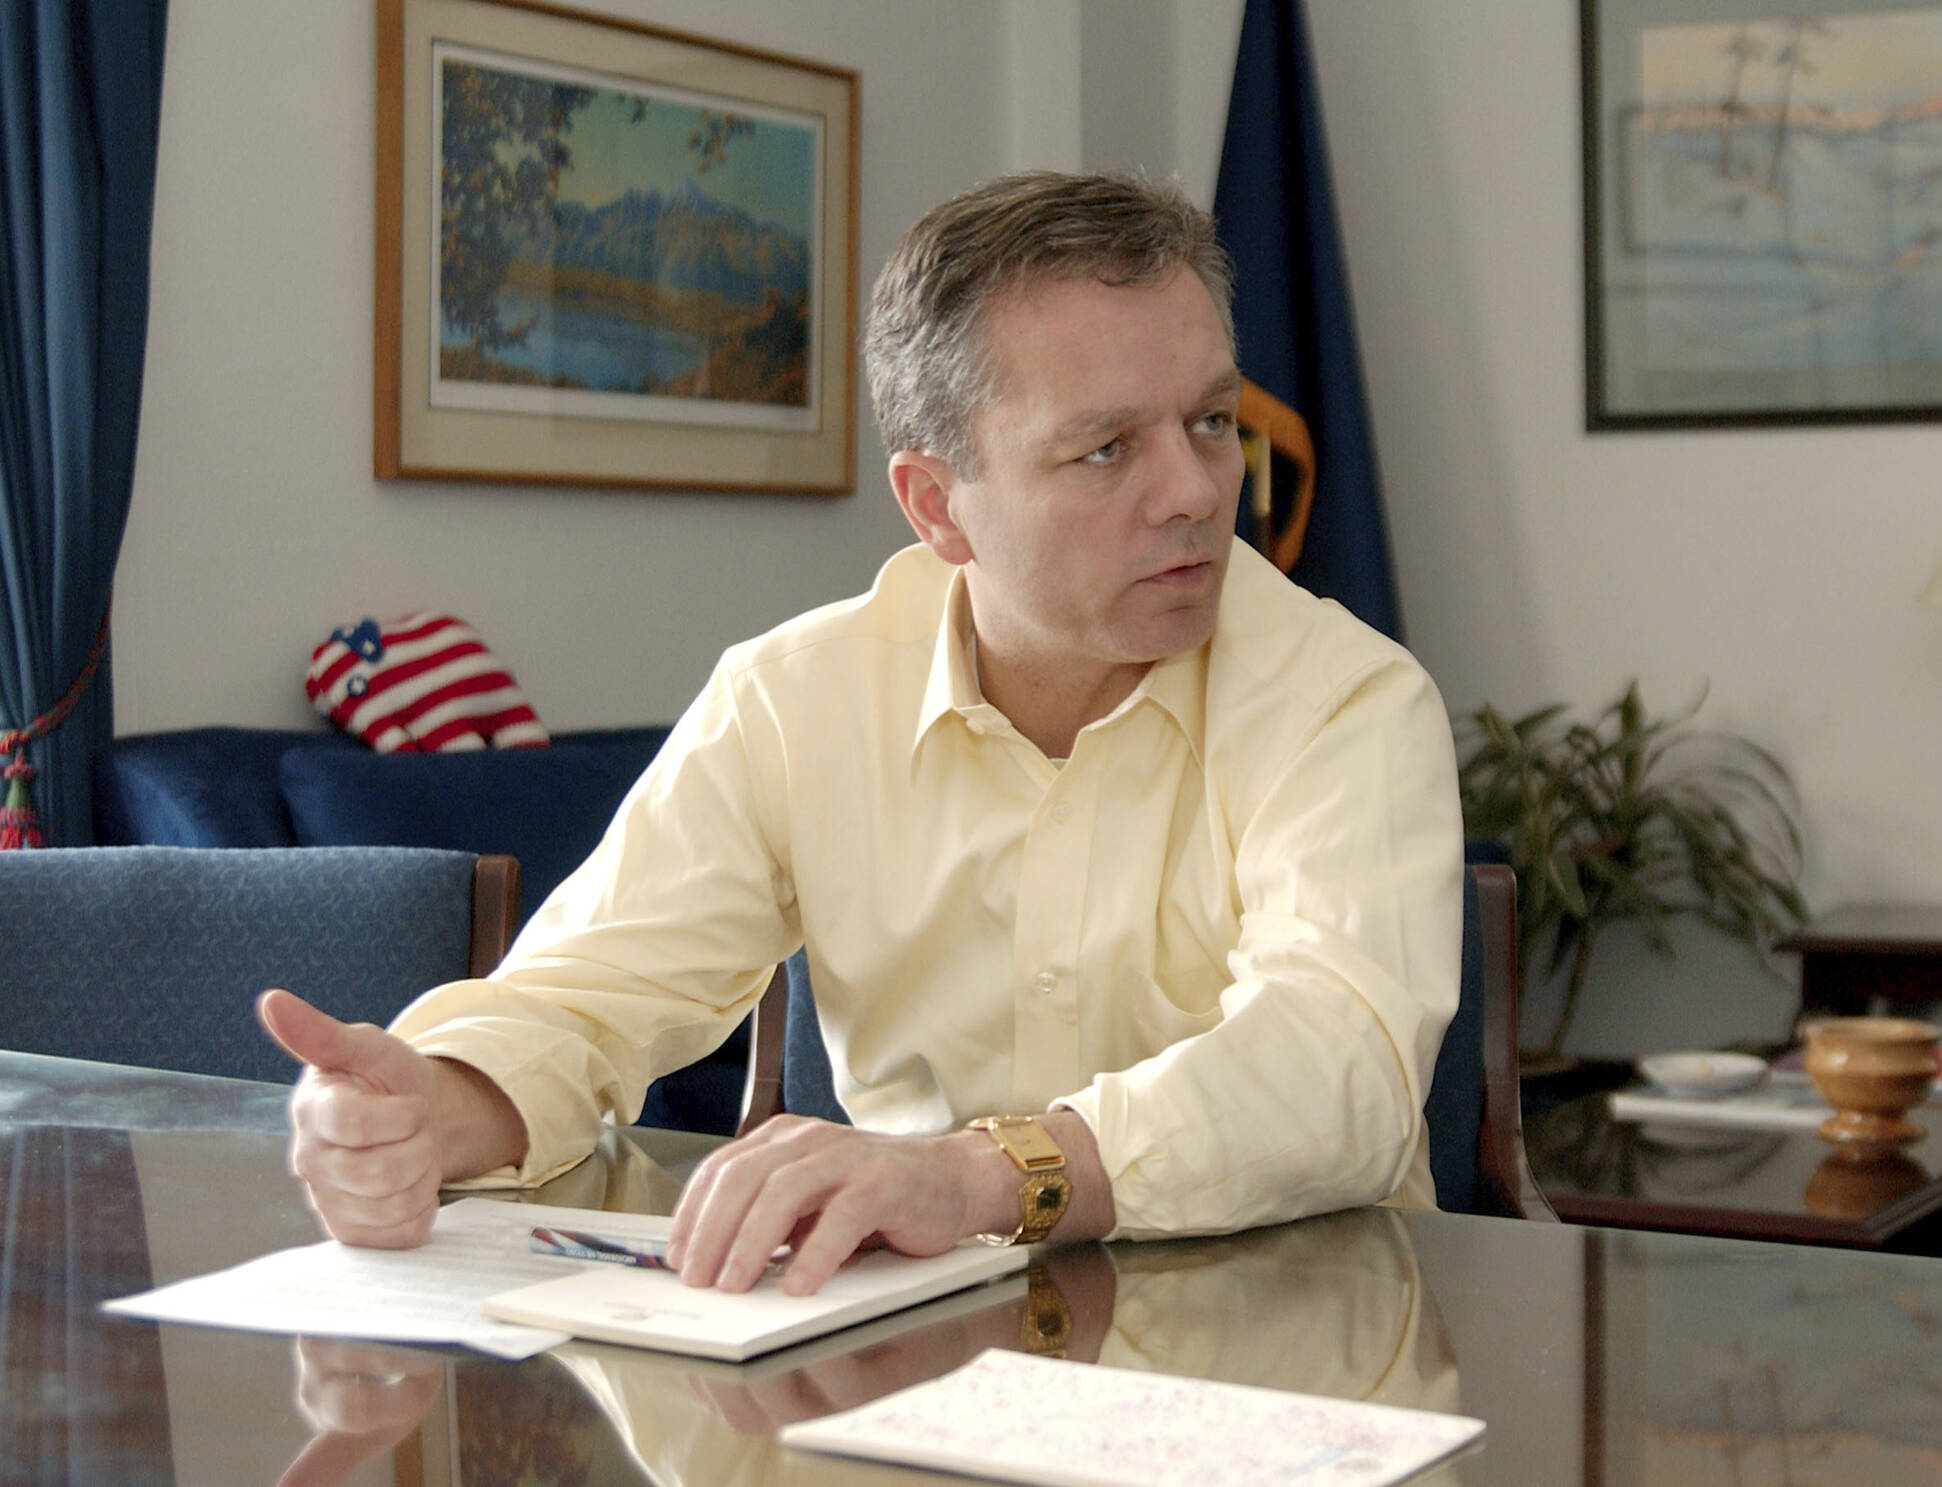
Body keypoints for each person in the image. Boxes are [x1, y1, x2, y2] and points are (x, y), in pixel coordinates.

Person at [258, 170, 1463, 1299]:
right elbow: (587, 995)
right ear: (938, 506)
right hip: (911, 1345)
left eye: (1207, 421)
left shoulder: (1346, 697)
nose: (1197, 490)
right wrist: (434, 1102)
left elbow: (1334, 1069)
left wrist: (978, 1173)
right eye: (1106, 448)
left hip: (1287, 1346)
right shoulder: (794, 697)